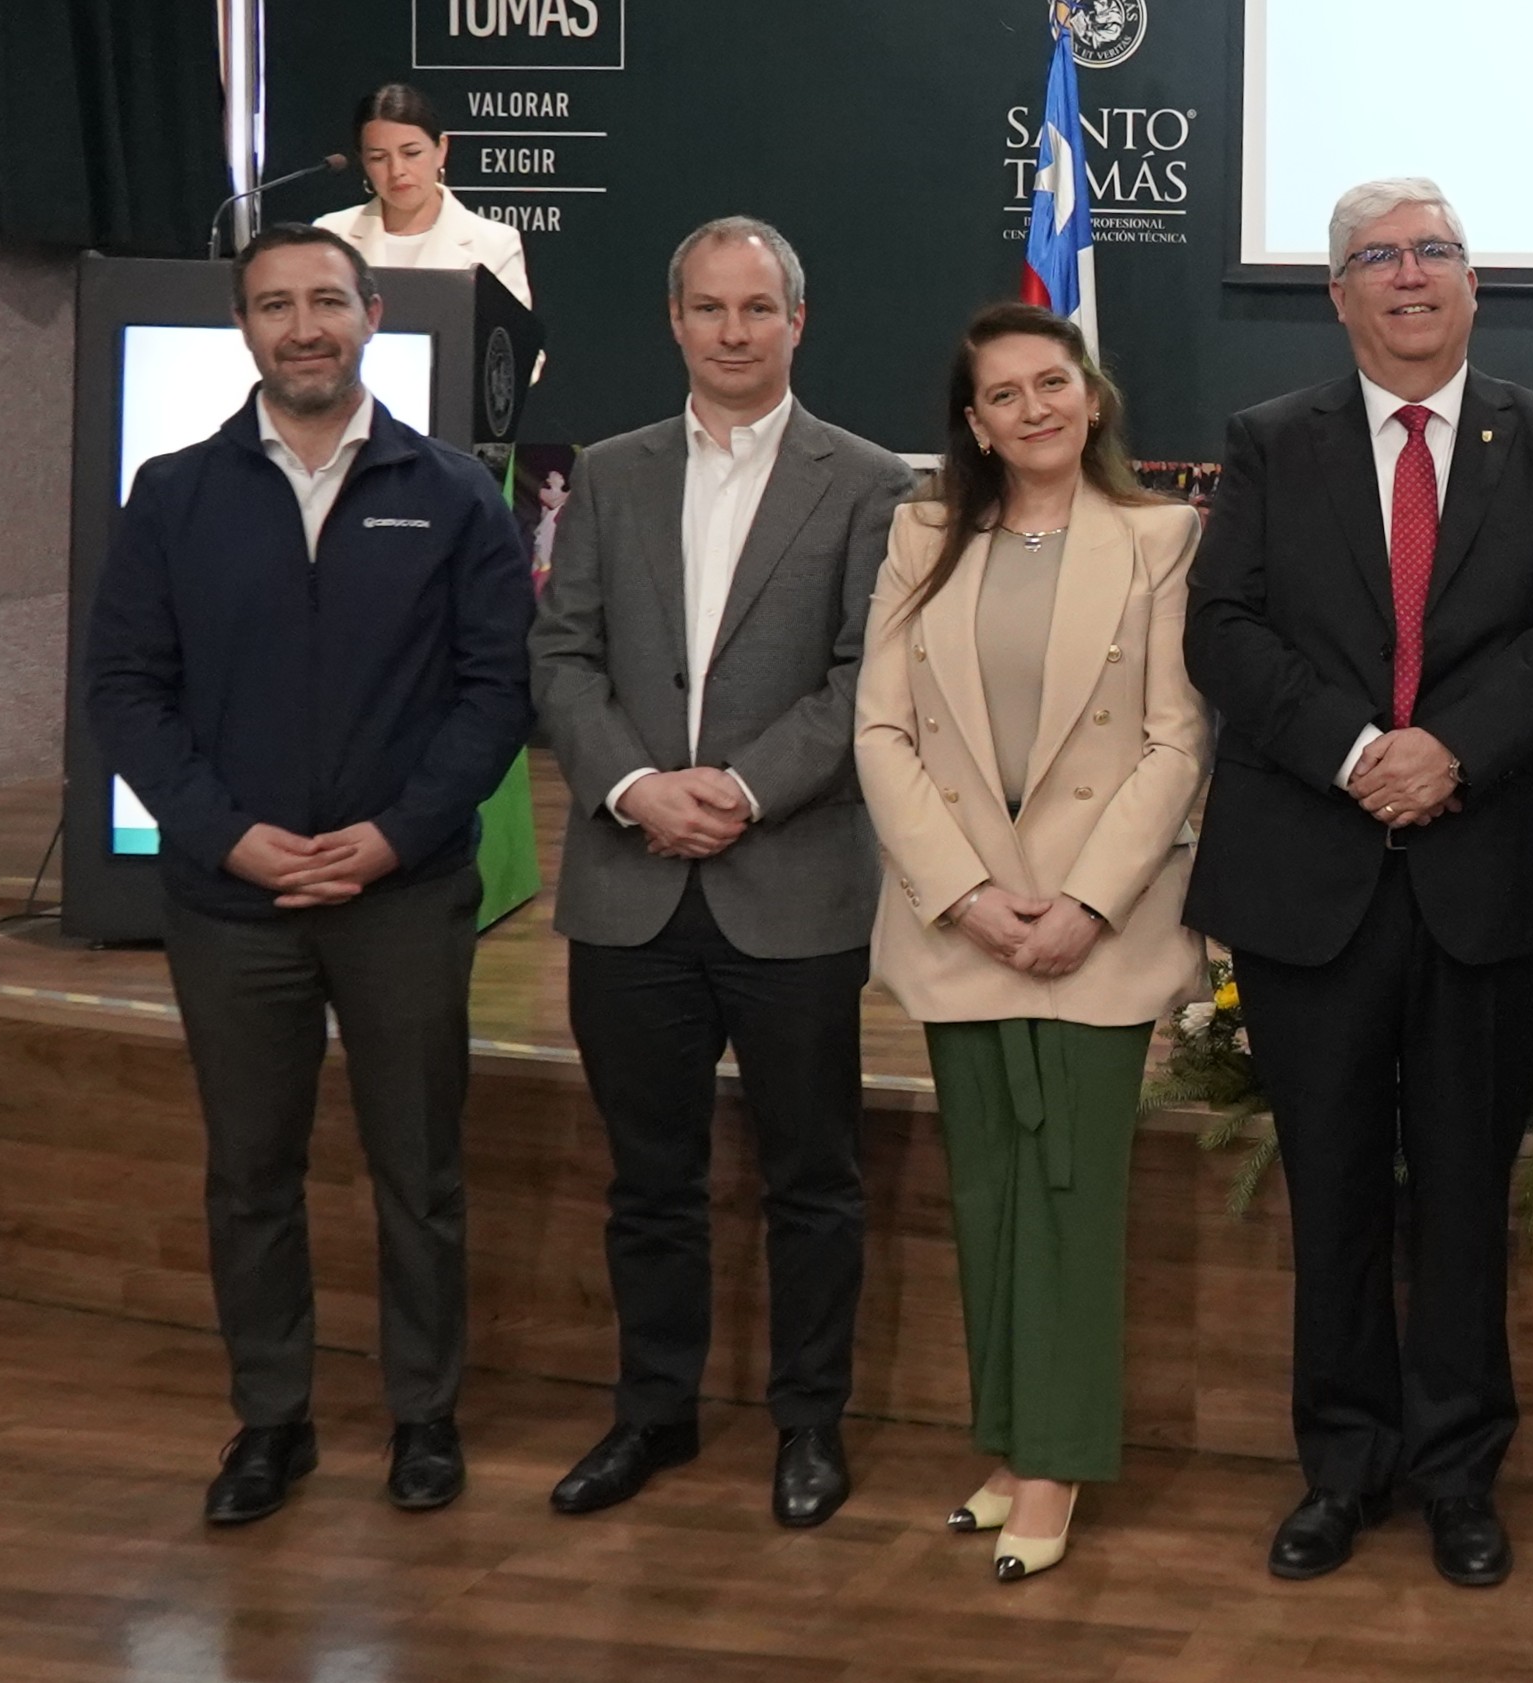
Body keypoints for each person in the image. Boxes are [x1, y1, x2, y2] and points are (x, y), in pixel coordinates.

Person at [1182, 177, 1533, 1588]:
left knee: (1463, 1189)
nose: (1410, 274)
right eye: (1378, 256)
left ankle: (1455, 1472)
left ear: (1472, 283)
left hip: (1488, 867)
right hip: (1312, 871)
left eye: (1434, 250)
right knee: (1332, 1189)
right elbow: (1225, 630)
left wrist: (1452, 752)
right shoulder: (1268, 443)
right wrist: (1361, 750)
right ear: (1337, 293)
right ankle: (1341, 1463)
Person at [80, 224, 532, 1524]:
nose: (302, 326)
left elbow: (495, 689)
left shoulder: (450, 491)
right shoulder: (174, 493)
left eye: (325, 300)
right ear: (246, 328)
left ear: (370, 312)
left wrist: (396, 833)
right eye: (274, 305)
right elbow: (125, 687)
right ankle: (270, 1418)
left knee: (419, 1166)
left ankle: (423, 1413)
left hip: (402, 892)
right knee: (249, 1171)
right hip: (235, 903)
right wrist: (226, 832)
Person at [526, 217, 915, 1527]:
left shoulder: (866, 481)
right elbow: (564, 655)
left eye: (758, 309)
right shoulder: (612, 470)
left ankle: (808, 1422)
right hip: (629, 883)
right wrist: (637, 785)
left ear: (798, 322)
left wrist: (741, 789)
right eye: (709, 308)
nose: (733, 332)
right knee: (649, 1179)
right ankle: (654, 1411)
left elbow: (871, 676)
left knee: (814, 1176)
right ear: (673, 320)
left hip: (791, 878)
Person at [854, 302, 1209, 1581]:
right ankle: (1008, 1443)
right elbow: (882, 731)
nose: (1034, 409)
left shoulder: (1162, 539)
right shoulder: (922, 538)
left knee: (1070, 1200)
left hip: (1093, 934)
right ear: (974, 425)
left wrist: (1083, 905)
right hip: (964, 929)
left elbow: (1177, 739)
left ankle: (1056, 1462)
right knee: (990, 1193)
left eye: (1051, 384)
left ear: (1092, 396)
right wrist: (965, 893)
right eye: (1004, 395)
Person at [316, 84, 531, 308]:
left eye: (411, 153)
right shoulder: (331, 236)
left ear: (441, 150)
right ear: (363, 162)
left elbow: (512, 341)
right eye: (379, 158)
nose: (396, 170)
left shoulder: (495, 244)